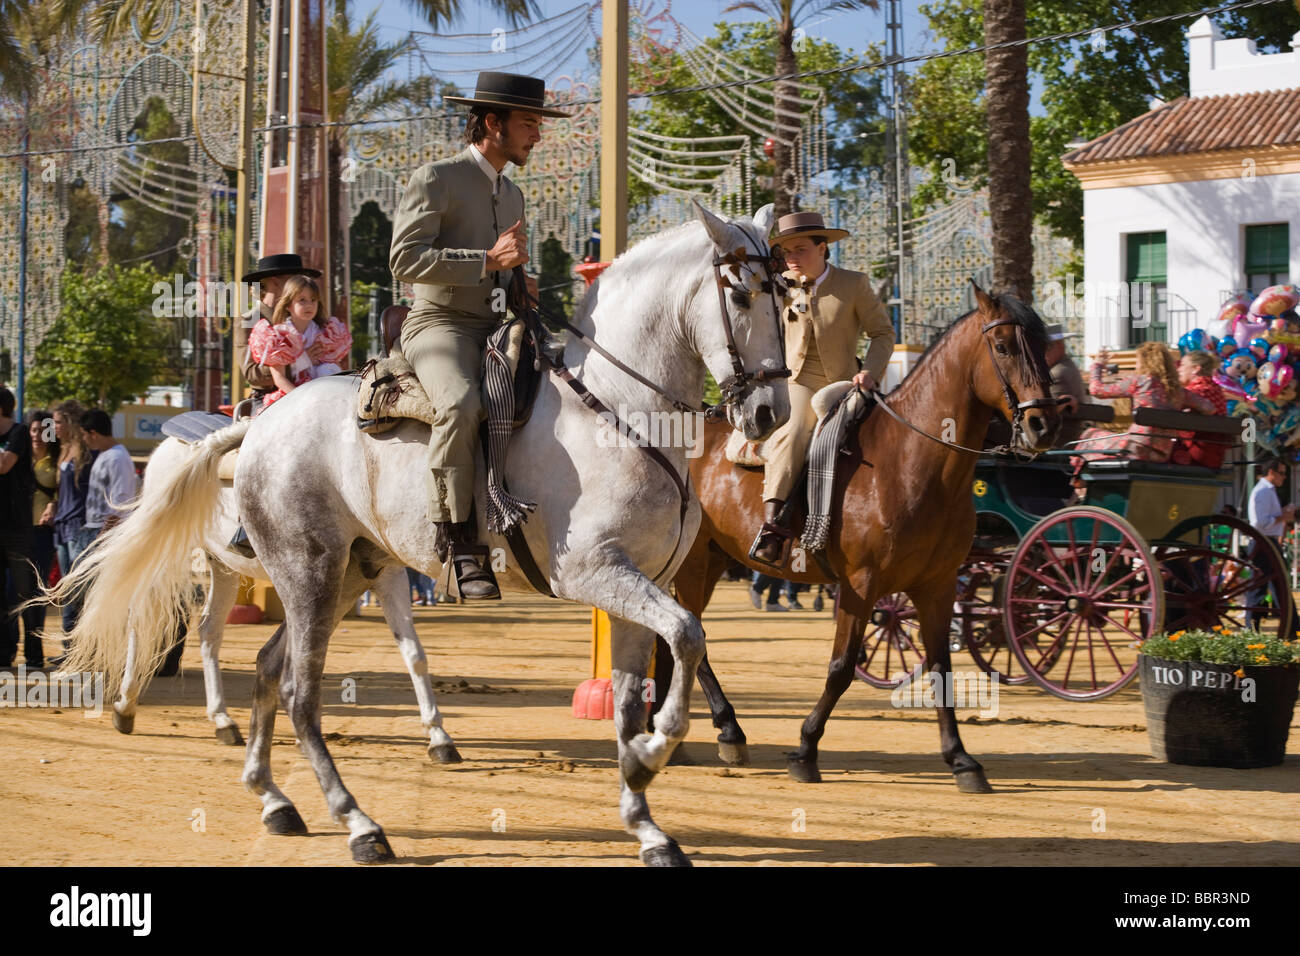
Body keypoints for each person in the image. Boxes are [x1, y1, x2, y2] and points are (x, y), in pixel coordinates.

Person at [388, 71, 570, 600]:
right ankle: (458, 539)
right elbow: (404, 260)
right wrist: (487, 259)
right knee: (463, 404)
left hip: (499, 326)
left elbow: (506, 271)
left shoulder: (512, 194)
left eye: (538, 124)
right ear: (492, 123)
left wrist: (520, 282)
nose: (537, 135)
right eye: (529, 123)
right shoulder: (435, 178)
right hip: (438, 325)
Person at [750, 211, 895, 566]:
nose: (791, 258)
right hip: (796, 381)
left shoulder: (854, 284)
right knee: (796, 430)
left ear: (823, 247)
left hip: (846, 382)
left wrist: (871, 372)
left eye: (800, 249)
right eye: (785, 252)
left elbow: (883, 333)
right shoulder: (776, 284)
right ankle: (772, 528)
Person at [1074, 341, 1214, 463]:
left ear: (1144, 362)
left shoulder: (1140, 382)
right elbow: (1209, 408)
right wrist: (1185, 412)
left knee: (1089, 436)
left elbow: (1096, 390)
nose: (1136, 364)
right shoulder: (1179, 391)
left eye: (1137, 360)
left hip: (1135, 449)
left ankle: (1082, 488)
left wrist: (1097, 365)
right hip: (1162, 454)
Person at [246, 274, 352, 408]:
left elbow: (336, 369)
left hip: (326, 397)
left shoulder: (328, 332)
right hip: (293, 398)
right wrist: (303, 400)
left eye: (313, 300)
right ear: (288, 305)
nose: (309, 305)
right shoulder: (278, 336)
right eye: (302, 300)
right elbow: (279, 378)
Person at [237, 253, 325, 415]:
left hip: (313, 395)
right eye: (294, 279)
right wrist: (297, 362)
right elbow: (252, 374)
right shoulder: (250, 319)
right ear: (275, 282)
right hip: (267, 402)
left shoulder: (305, 317)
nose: (300, 285)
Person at [0, 388, 42, 668]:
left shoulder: (19, 433)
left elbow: (3, 465)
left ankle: (34, 657)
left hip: (16, 528)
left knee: (27, 595)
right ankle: (3, 655)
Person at [50, 400, 95, 651]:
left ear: (70, 422)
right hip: (62, 525)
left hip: (79, 527)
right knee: (68, 589)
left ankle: (76, 648)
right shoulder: (64, 449)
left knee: (77, 589)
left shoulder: (86, 452)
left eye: (58, 422)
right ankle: (70, 647)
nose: (54, 427)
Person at [1246, 458, 1297, 634]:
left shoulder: (1269, 490)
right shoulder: (1262, 492)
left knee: (1279, 584)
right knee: (1259, 587)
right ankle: (1251, 629)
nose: (1284, 477)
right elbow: (1258, 523)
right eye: (1282, 473)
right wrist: (1283, 516)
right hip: (1263, 542)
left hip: (1268, 542)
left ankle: (1292, 627)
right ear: (1271, 472)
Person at [80, 409, 139, 541]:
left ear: (93, 433)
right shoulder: (104, 454)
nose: (83, 439)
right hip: (94, 528)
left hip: (104, 531)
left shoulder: (117, 458)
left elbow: (121, 499)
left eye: (84, 434)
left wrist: (105, 534)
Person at [1171, 350, 1228, 469]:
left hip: (1193, 455)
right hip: (1214, 455)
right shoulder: (1216, 390)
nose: (1178, 370)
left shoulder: (1194, 393)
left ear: (1195, 369)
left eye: (1182, 365)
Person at [28, 409, 58, 592]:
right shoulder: (18, 458)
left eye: (43, 431)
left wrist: (54, 503)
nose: (37, 435)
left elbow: (64, 492)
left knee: (38, 587)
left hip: (43, 532)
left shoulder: (56, 461)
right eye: (34, 430)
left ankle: (36, 622)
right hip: (18, 530)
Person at [1044, 323, 1085, 446]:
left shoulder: (1057, 373)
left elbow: (1046, 414)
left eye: (1044, 349)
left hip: (1056, 441)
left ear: (1059, 346)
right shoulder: (1065, 365)